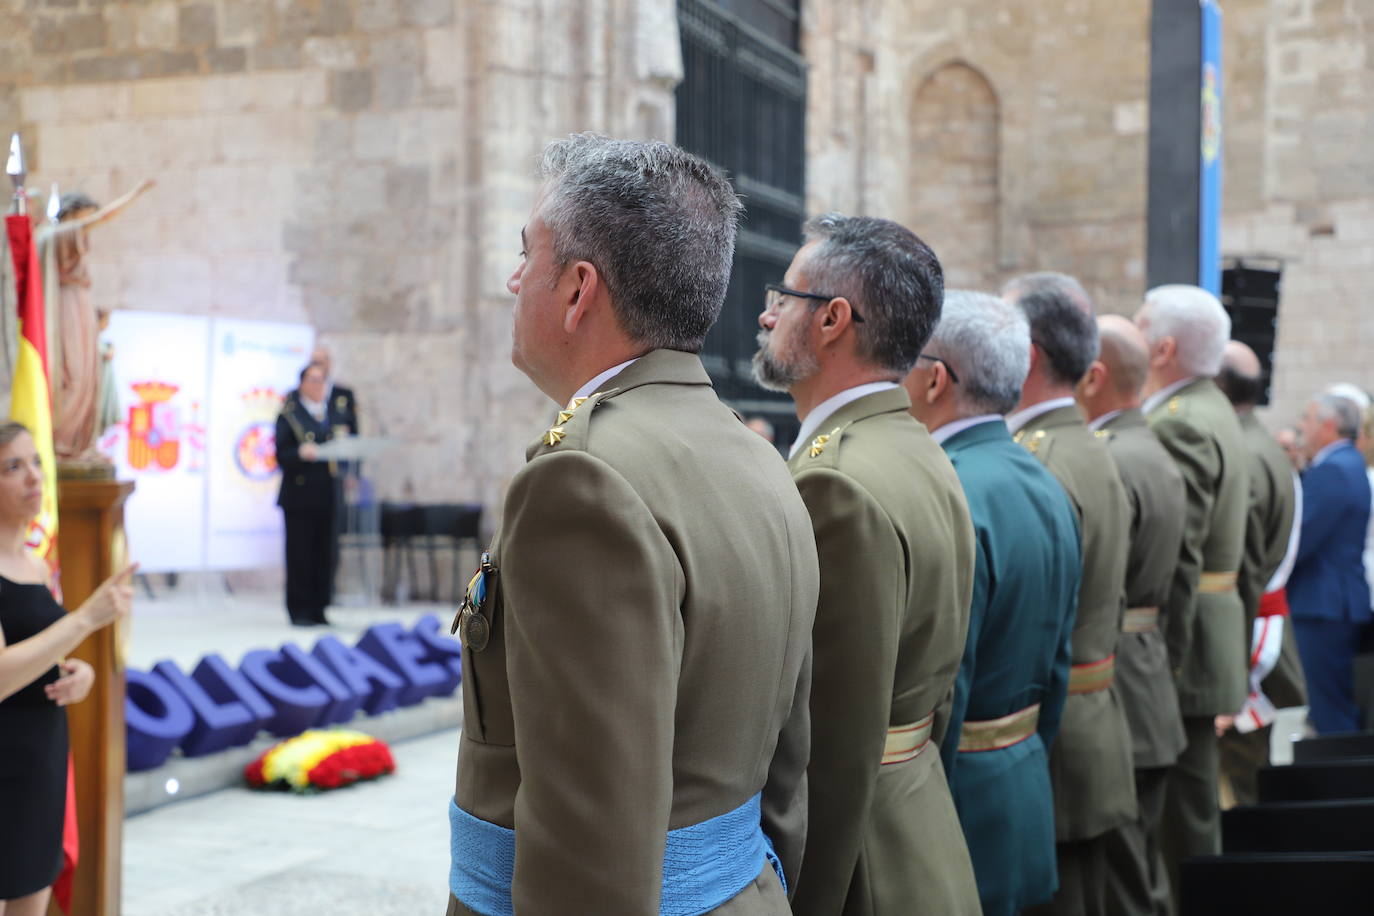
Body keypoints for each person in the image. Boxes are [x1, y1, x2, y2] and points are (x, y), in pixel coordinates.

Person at [446, 134, 819, 916]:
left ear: (579, 289)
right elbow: (787, 776)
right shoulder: (759, 459)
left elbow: (586, 845)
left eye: (527, 255)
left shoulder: (582, 480)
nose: (514, 280)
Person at [754, 214, 979, 916]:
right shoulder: (913, 445)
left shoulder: (837, 481)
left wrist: (805, 898)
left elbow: (829, 744)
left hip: (863, 866)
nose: (765, 314)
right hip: (916, 826)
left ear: (833, 320)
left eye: (783, 297)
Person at [906, 289, 1081, 916]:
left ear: (934, 379)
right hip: (1024, 781)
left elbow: (948, 683)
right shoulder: (1043, 479)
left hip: (960, 806)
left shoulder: (952, 487)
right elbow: (1058, 664)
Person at [1003, 273, 1134, 916]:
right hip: (1094, 719)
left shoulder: (1040, 459)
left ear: (1026, 354)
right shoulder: (1087, 444)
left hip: (1056, 738)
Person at [1134, 284, 1249, 900]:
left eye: (1141, 323)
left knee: (1181, 821)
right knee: (1193, 806)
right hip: (1215, 630)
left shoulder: (1179, 423)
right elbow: (1246, 552)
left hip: (1185, 643)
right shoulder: (1215, 409)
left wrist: (1165, 656)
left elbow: (1178, 556)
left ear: (1164, 347)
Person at [1075, 315, 1188, 915]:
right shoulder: (1154, 450)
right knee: (1141, 869)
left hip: (1117, 684)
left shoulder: (1113, 458)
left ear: (1096, 377)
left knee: (1124, 884)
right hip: (1151, 682)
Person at [0, 421, 134, 915]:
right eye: (13, 467)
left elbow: (38, 651)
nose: (35, 477)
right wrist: (84, 619)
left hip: (41, 762)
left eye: (36, 462)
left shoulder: (35, 565)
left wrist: (77, 673)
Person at [1214, 342, 1306, 805]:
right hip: (1259, 628)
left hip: (1248, 637)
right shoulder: (1261, 445)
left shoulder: (1243, 456)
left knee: (1241, 786)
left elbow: (1243, 573)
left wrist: (1229, 673)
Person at [48, 181, 155, 460]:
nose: (88, 222)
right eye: (86, 214)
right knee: (73, 372)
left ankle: (79, 443)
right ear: (74, 212)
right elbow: (103, 218)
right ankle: (63, 442)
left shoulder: (67, 235)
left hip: (79, 302)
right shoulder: (61, 232)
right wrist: (134, 194)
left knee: (86, 372)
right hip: (67, 304)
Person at [1288, 392, 1371, 734]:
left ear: (1328, 425)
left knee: (1330, 709)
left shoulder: (1334, 468)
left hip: (1325, 604)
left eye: (1306, 420)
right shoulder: (1348, 463)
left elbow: (1301, 539)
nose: (1301, 427)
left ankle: (1343, 785)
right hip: (1336, 601)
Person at [275, 362, 345, 627]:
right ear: (302, 383)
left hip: (326, 493)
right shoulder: (290, 414)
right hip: (300, 495)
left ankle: (319, 606)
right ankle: (299, 608)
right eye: (312, 380)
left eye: (321, 380)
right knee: (300, 554)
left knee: (323, 554)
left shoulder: (330, 414)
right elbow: (281, 454)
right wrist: (300, 454)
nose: (317, 385)